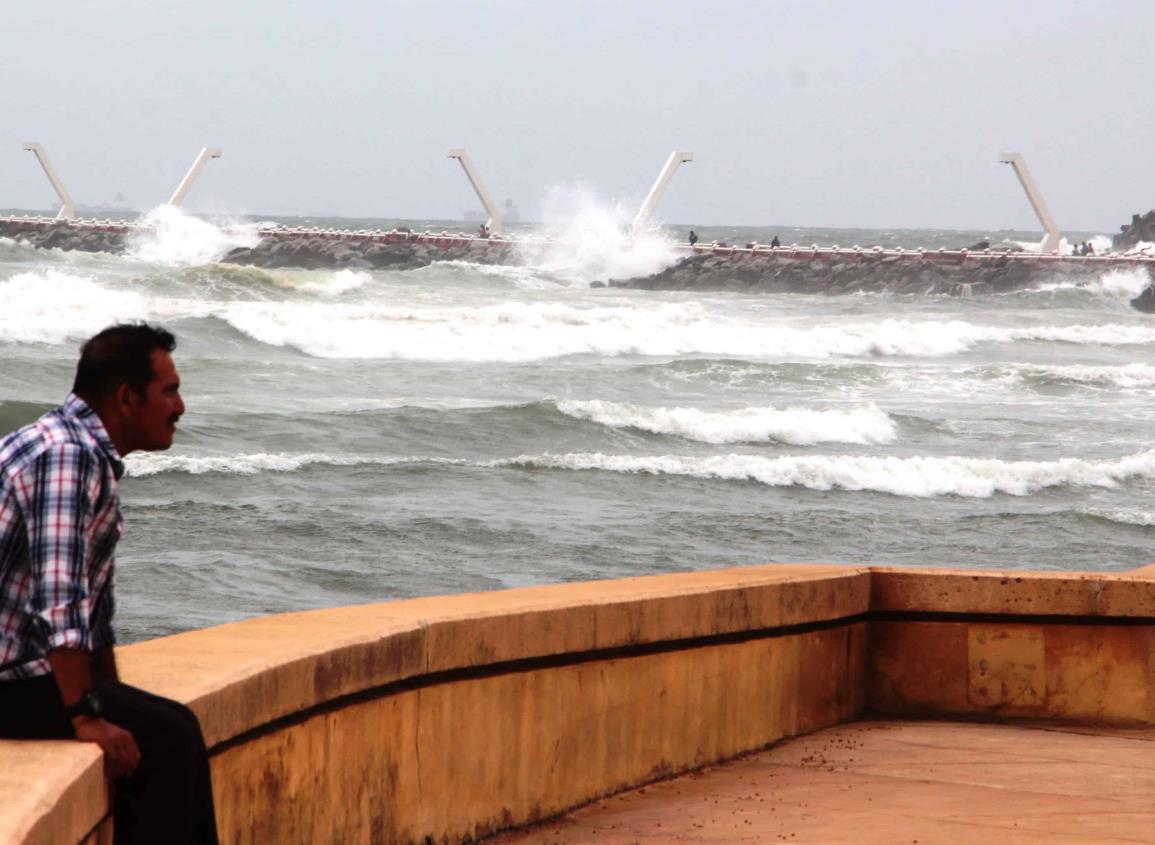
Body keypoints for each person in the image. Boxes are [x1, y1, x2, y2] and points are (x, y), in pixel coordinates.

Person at [0, 323, 218, 845]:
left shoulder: (72, 445)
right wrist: (87, 716)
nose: (180, 407)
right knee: (169, 737)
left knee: (169, 727)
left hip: (22, 674)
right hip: (8, 682)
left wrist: (109, 696)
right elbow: (60, 600)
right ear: (127, 396)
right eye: (169, 391)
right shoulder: (67, 456)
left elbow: (94, 608)